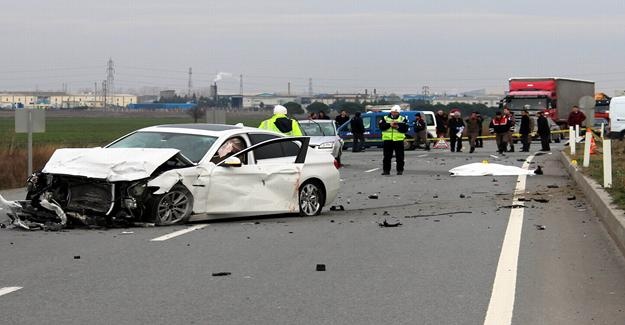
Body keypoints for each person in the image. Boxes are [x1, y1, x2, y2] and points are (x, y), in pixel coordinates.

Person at [379, 105, 408, 175]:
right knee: (387, 156)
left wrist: (397, 127)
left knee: (400, 156)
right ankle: (386, 171)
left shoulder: (403, 119)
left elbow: (405, 129)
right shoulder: (385, 118)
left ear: (398, 113)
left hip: (398, 140)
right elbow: (381, 127)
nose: (394, 114)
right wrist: (390, 125)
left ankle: (400, 170)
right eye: (393, 112)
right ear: (391, 112)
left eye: (396, 112)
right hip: (387, 140)